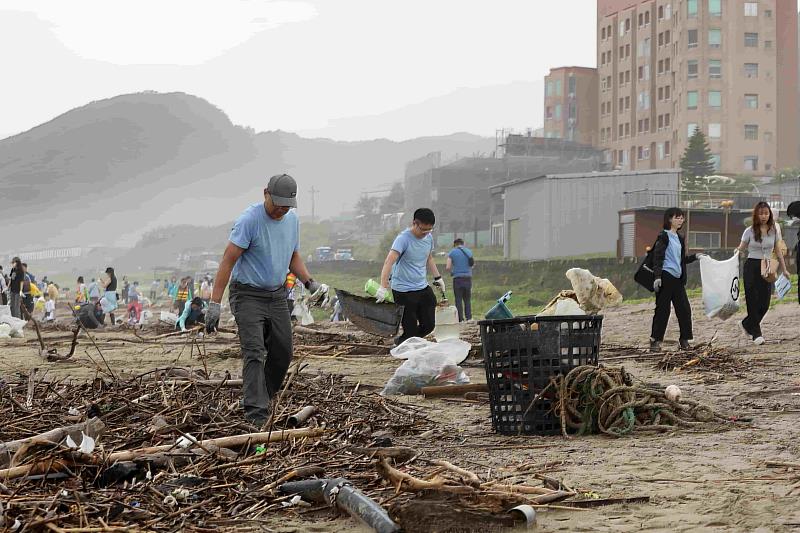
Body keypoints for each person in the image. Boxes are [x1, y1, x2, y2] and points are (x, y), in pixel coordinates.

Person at [206, 173, 329, 427]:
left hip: (276, 295)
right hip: (247, 294)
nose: (281, 211)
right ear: (266, 194)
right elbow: (228, 260)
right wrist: (215, 303)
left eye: (287, 206)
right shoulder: (249, 220)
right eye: (278, 204)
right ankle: (256, 414)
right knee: (254, 351)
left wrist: (309, 282)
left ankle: (262, 395)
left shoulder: (291, 221)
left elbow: (292, 255)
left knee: (283, 353)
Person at [376, 208, 445, 345]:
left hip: (422, 287)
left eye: (429, 230)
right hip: (403, 290)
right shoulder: (403, 239)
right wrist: (383, 286)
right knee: (411, 329)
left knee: (429, 325)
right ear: (414, 223)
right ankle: (406, 342)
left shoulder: (428, 238)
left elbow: (429, 258)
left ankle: (405, 342)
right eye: (423, 230)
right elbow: (389, 261)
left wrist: (438, 278)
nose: (425, 234)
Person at [649, 208, 701, 352]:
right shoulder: (663, 236)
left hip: (677, 279)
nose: (681, 220)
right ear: (670, 219)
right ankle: (655, 341)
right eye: (677, 217)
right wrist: (658, 277)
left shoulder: (679, 237)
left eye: (682, 218)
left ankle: (684, 340)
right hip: (665, 277)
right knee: (663, 311)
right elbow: (657, 257)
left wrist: (696, 256)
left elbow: (681, 260)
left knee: (684, 309)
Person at [737, 201, 789, 345]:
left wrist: (784, 269)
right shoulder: (749, 231)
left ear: (769, 214)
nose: (764, 216)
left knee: (765, 303)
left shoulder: (773, 230)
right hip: (751, 266)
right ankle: (756, 334)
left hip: (767, 266)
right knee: (752, 300)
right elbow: (741, 248)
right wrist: (735, 256)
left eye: (766, 213)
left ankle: (747, 324)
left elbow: (778, 251)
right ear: (756, 215)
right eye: (761, 213)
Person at [446, 238, 474, 322]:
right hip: (468, 278)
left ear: (455, 244)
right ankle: (469, 318)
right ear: (463, 243)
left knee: (458, 299)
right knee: (467, 299)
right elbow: (472, 265)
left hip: (457, 279)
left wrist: (452, 272)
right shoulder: (469, 252)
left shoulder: (452, 252)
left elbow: (448, 267)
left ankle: (460, 319)